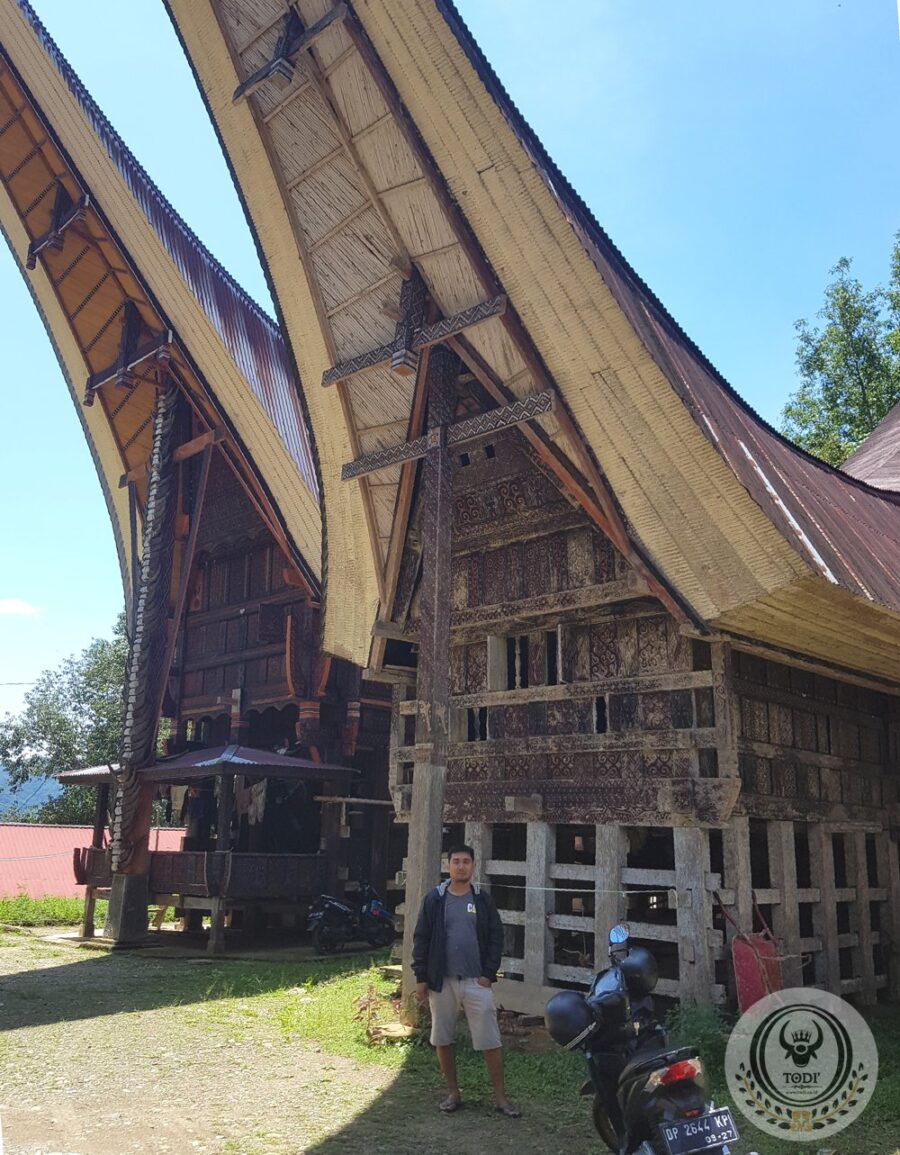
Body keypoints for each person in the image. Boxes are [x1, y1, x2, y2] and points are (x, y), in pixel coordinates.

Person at [412, 842, 520, 1117]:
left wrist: (488, 974)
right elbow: (421, 937)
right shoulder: (435, 899)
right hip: (442, 980)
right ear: (448, 866)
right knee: (443, 1037)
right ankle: (453, 1092)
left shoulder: (482, 899)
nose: (461, 866)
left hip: (476, 981)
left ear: (473, 866)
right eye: (456, 861)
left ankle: (500, 1097)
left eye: (466, 862)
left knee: (490, 1040)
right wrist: (421, 977)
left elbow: (496, 936)